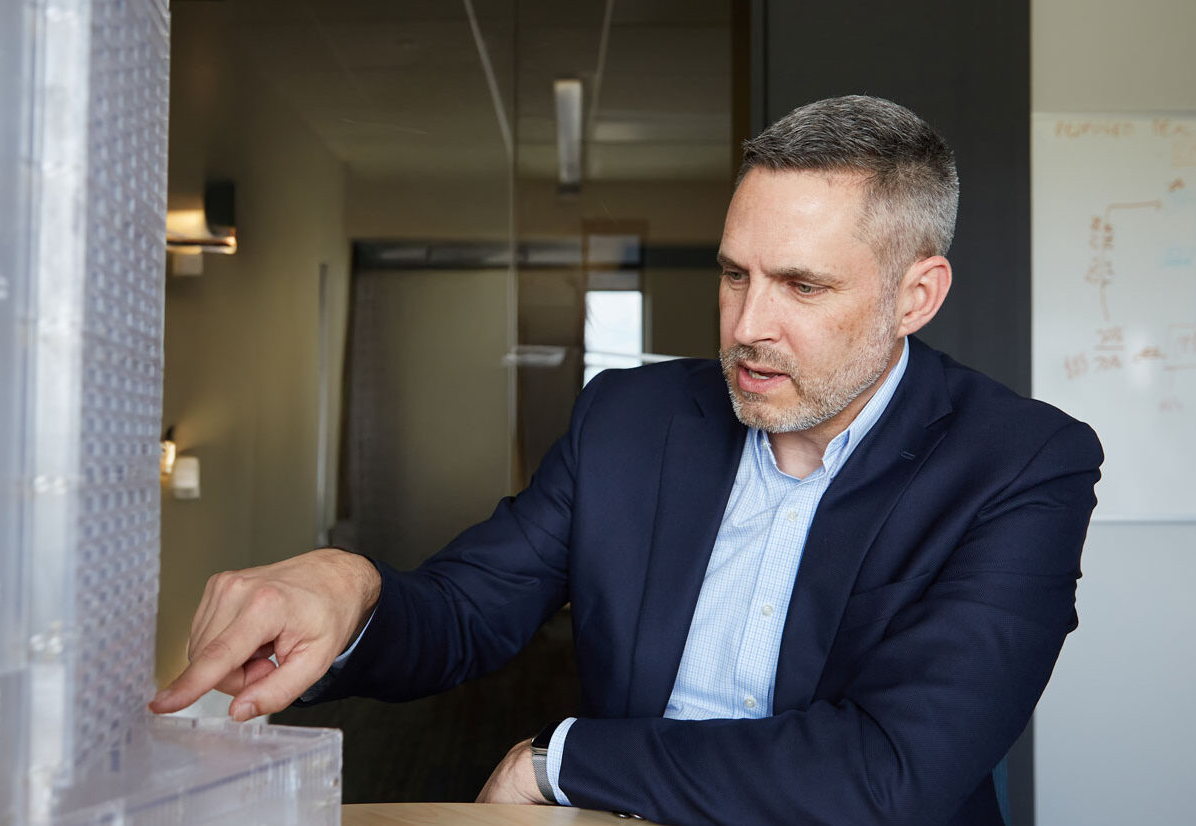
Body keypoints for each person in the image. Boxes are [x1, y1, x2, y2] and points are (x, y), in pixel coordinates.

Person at [149, 95, 1103, 826]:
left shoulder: (1023, 464)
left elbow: (893, 769)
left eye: (802, 286)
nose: (748, 327)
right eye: (734, 274)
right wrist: (348, 588)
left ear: (916, 296)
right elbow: (468, 609)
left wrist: (565, 760)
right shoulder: (632, 417)